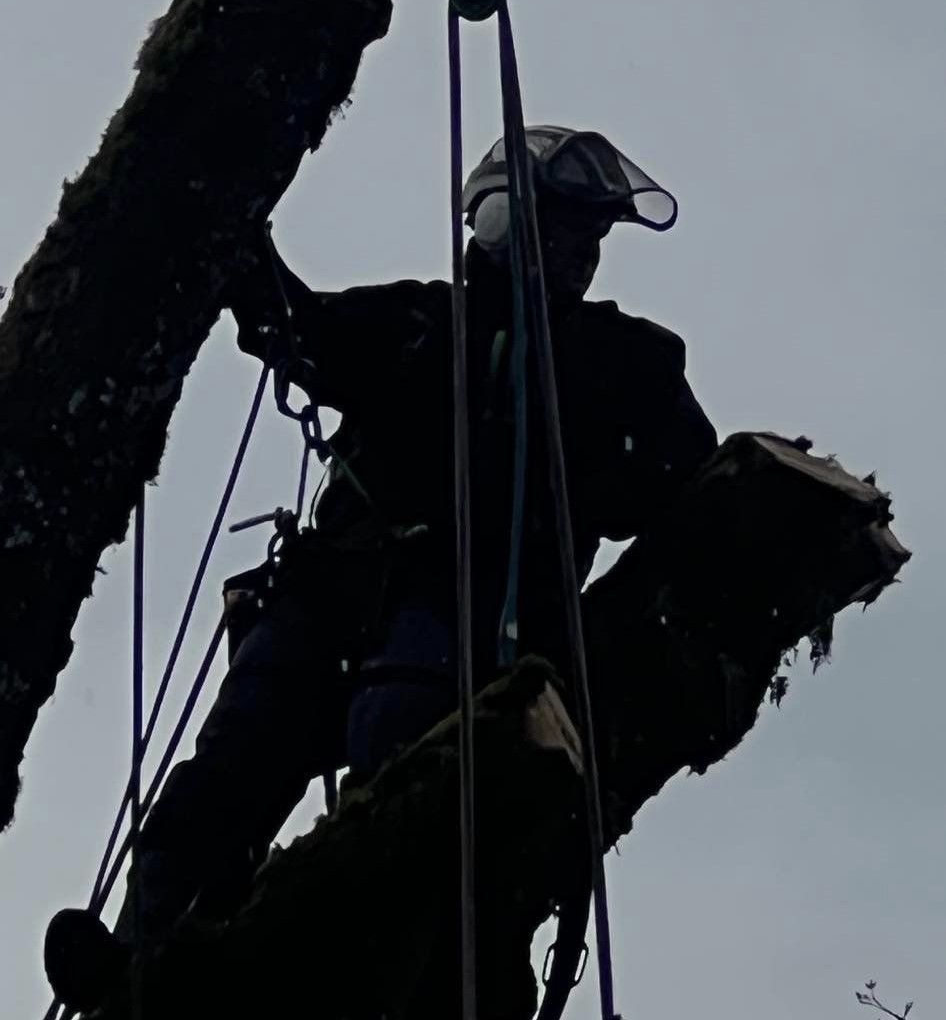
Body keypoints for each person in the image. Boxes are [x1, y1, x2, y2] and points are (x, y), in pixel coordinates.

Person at [45, 126, 717, 1011]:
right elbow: (300, 325)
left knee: (397, 746)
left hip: (473, 610)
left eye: (592, 240)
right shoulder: (418, 325)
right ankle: (141, 967)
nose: (581, 257)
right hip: (337, 591)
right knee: (228, 766)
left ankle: (375, 966)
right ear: (503, 224)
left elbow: (691, 482)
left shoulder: (623, 360)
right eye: (563, 231)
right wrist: (228, 224)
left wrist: (598, 478)